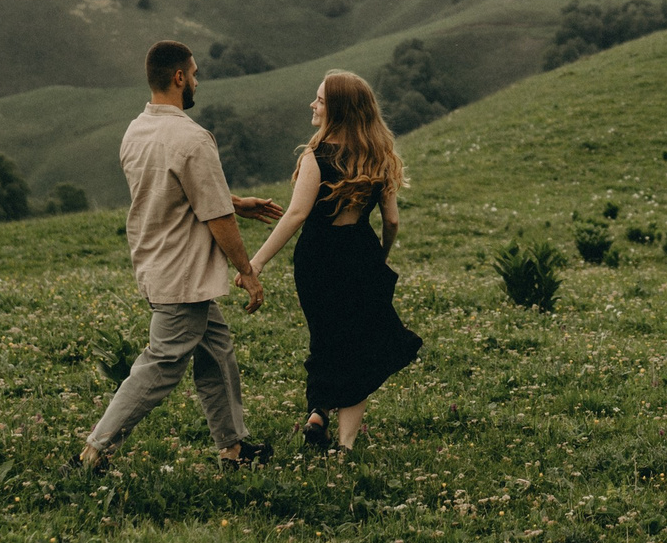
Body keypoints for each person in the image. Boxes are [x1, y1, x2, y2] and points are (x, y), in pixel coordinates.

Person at [78, 40, 285, 472]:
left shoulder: (137, 130)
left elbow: (179, 189)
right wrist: (247, 270)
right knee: (162, 364)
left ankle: (235, 448)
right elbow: (215, 216)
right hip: (183, 273)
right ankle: (96, 449)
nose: (196, 81)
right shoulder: (192, 138)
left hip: (156, 263)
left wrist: (236, 201)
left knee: (217, 351)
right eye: (193, 73)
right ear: (178, 78)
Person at [248, 69, 423, 452]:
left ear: (339, 109)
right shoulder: (380, 157)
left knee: (326, 337)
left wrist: (256, 263)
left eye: (321, 100)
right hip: (359, 253)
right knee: (358, 345)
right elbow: (391, 221)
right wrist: (381, 255)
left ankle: (318, 411)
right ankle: (344, 444)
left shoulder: (317, 156)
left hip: (317, 257)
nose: (313, 104)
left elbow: (295, 215)